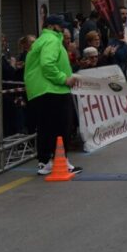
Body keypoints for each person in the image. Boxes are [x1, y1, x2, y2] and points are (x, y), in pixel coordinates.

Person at [24, 14, 80, 176]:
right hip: (54, 90)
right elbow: (47, 64)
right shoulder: (52, 40)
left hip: (39, 91)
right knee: (62, 127)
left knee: (45, 128)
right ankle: (61, 161)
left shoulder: (41, 41)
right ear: (50, 26)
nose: (62, 28)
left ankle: (45, 162)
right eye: (59, 25)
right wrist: (64, 79)